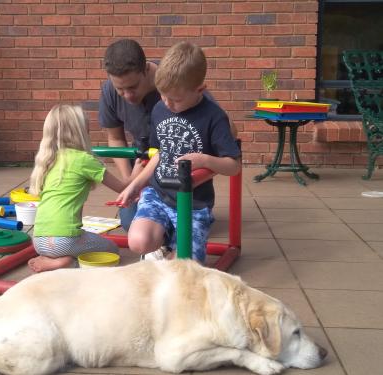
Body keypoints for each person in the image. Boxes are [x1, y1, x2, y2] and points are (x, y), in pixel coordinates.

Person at [117, 41, 242, 263]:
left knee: (185, 268)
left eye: (176, 99)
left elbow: (234, 166)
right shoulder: (160, 109)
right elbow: (161, 153)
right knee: (137, 241)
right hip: (157, 195)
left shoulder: (214, 117)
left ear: (200, 89)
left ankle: (174, 248)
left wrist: (205, 160)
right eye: (163, 96)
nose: (167, 104)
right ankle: (163, 244)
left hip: (194, 205)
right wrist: (135, 185)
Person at [27, 104, 126, 273]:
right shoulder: (83, 160)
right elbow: (123, 188)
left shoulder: (48, 160)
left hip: (38, 241)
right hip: (64, 241)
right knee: (111, 248)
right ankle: (66, 262)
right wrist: (140, 166)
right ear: (80, 131)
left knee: (76, 240)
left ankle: (53, 258)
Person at [99, 39, 161, 231]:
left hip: (176, 165)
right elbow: (116, 138)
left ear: (146, 70)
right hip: (141, 163)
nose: (127, 95)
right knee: (130, 223)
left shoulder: (173, 81)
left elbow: (222, 128)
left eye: (133, 87)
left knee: (170, 224)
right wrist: (130, 183)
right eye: (120, 89)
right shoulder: (109, 91)